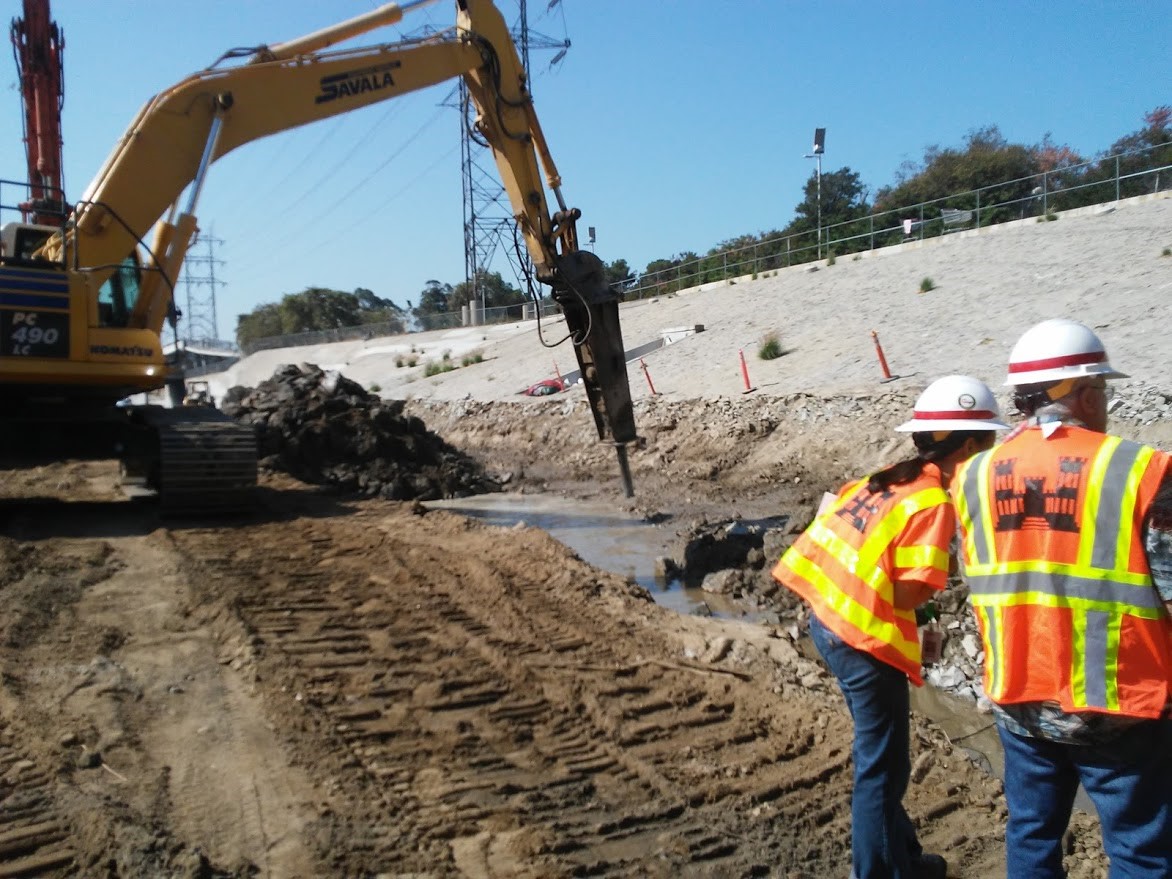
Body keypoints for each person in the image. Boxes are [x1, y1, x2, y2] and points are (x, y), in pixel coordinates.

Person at [950, 319, 1172, 878]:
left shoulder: (972, 475)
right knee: (1140, 851)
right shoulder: (1141, 469)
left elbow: (979, 573)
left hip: (1017, 692)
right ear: (1088, 394)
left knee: (1032, 833)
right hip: (1117, 702)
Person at [773, 374, 1009, 879]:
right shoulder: (932, 504)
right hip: (861, 641)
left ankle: (903, 858)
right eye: (988, 443)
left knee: (882, 757)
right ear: (969, 447)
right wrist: (940, 578)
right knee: (881, 770)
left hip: (828, 621)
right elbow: (906, 595)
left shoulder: (887, 478)